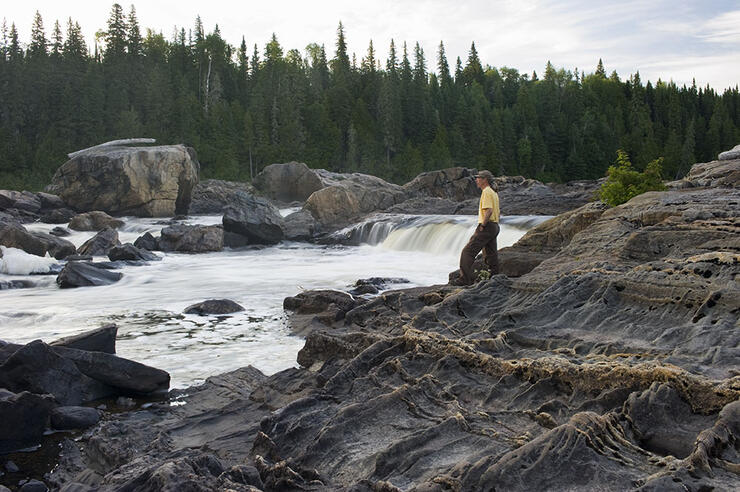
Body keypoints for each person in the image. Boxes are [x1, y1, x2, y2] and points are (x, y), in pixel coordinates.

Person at [456, 170, 500, 285]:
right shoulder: (493, 192)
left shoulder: (486, 192)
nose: (476, 180)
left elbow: (489, 210)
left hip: (487, 226)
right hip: (495, 226)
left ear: (485, 180)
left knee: (467, 252)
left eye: (478, 178)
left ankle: (464, 280)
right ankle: (494, 278)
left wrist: (482, 225)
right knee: (491, 255)